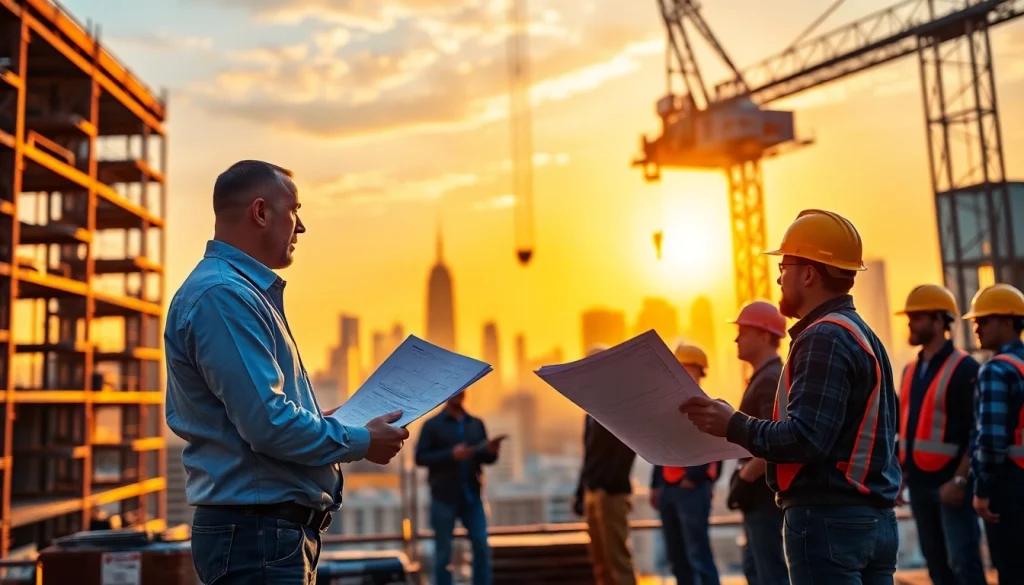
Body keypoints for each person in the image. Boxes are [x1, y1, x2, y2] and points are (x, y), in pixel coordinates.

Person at [164, 160, 410, 584]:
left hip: (266, 536)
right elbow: (268, 424)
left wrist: (326, 423)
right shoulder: (224, 296)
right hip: (257, 537)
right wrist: (362, 440)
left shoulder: (238, 293)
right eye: (295, 210)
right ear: (261, 212)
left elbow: (260, 415)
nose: (302, 227)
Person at [681, 208, 901, 585]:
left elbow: (806, 438)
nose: (779, 278)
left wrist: (732, 424)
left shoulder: (823, 337)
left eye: (784, 267)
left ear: (809, 274)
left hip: (829, 520)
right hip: (873, 519)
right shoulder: (862, 334)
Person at [896, 284, 986, 585]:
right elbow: (907, 428)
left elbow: (976, 431)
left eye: (917, 317)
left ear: (938, 321)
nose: (910, 323)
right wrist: (901, 474)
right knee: (936, 564)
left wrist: (960, 481)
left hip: (951, 486)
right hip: (920, 484)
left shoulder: (965, 368)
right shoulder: (910, 370)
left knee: (964, 562)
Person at [961, 283, 1024, 585]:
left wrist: (982, 490)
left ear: (1008, 322)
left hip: (1009, 487)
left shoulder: (995, 371)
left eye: (984, 321)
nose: (976, 328)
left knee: (1011, 570)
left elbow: (991, 440)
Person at [724, 301, 788, 585]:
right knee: (758, 570)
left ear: (764, 335)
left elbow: (775, 440)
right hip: (759, 497)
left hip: (764, 498)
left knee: (768, 574)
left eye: (743, 332)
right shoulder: (765, 378)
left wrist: (744, 478)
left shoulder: (769, 380)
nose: (736, 339)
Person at [415, 390, 503, 585]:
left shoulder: (476, 423)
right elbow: (420, 458)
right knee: (443, 552)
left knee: (481, 544)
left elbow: (485, 458)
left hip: (472, 495)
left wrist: (491, 452)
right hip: (443, 497)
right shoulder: (432, 425)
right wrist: (451, 455)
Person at [651, 343, 721, 585]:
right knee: (677, 556)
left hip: (693, 489)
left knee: (698, 555)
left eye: (687, 368)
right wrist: (655, 485)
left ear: (700, 372)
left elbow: (712, 448)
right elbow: (660, 448)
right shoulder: (669, 409)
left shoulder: (708, 407)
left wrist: (693, 478)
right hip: (669, 487)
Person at [573, 345, 639, 585]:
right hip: (593, 490)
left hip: (611, 493)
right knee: (600, 560)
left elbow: (627, 449)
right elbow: (589, 455)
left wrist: (607, 484)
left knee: (617, 560)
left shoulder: (620, 404)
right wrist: (580, 492)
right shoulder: (590, 409)